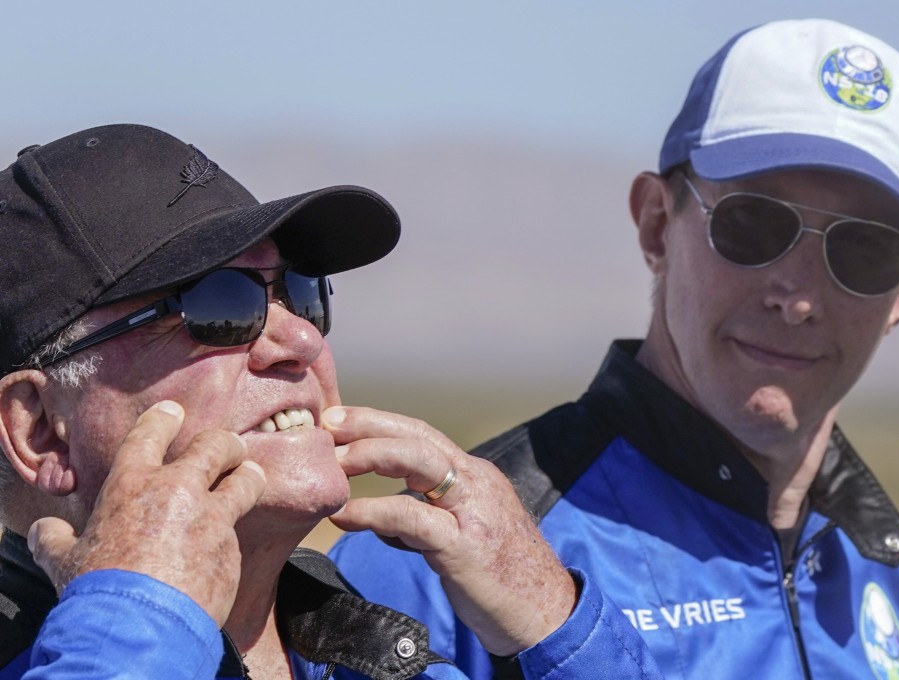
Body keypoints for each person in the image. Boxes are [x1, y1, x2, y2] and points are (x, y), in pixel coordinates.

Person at [333, 18, 899, 679]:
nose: (797, 297)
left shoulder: (876, 566)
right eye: (753, 223)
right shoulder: (437, 562)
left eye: (864, 249)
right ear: (657, 224)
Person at [0, 124, 660, 679]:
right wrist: (138, 616)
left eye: (301, 293)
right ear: (41, 430)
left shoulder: (388, 657)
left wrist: (555, 627)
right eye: (219, 305)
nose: (302, 338)